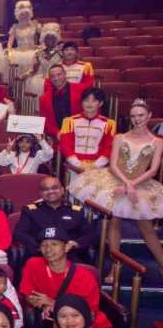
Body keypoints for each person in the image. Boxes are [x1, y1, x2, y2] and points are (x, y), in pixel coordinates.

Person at [68, 99, 163, 275]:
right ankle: (114, 267)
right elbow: (112, 165)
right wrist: (126, 184)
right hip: (115, 180)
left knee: (146, 227)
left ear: (149, 116)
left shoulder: (157, 141)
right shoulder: (120, 137)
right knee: (114, 222)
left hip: (140, 183)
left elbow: (153, 170)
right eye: (133, 116)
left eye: (141, 115)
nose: (137, 119)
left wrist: (132, 185)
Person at [19, 226, 111, 328]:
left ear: (66, 247)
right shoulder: (33, 264)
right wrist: (45, 305)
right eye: (44, 245)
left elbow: (91, 315)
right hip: (60, 326)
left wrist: (54, 304)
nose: (48, 249)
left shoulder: (84, 276)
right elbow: (28, 295)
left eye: (54, 244)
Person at [13, 177, 96, 262]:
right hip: (39, 256)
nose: (50, 192)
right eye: (46, 189)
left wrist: (74, 244)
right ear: (40, 193)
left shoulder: (76, 211)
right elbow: (20, 233)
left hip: (69, 256)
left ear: (62, 190)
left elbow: (90, 234)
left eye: (54, 188)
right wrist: (39, 247)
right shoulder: (31, 211)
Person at [59, 87, 116, 180]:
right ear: (81, 102)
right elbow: (65, 145)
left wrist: (95, 166)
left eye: (94, 101)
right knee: (73, 193)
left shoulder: (109, 124)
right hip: (74, 167)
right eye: (86, 100)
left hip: (98, 167)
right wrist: (78, 164)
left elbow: (109, 148)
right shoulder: (69, 121)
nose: (89, 104)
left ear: (100, 103)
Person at [38, 64, 85, 138]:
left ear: (65, 74)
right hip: (57, 138)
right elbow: (44, 121)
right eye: (52, 76)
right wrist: (56, 132)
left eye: (59, 74)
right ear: (49, 79)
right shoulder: (43, 98)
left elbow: (88, 112)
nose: (56, 78)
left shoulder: (81, 90)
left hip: (80, 135)